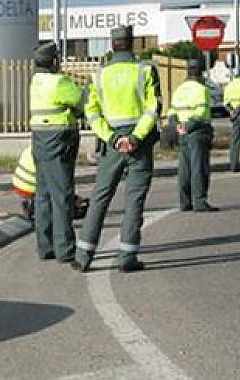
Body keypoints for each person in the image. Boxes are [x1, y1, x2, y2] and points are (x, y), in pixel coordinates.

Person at [72, 25, 161, 273]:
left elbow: (91, 112)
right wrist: (134, 137)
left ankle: (83, 255)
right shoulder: (146, 70)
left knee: (100, 197)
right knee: (135, 200)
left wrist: (112, 138)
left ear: (112, 45)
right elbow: (153, 109)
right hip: (139, 146)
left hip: (111, 145)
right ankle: (127, 257)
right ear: (132, 43)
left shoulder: (99, 75)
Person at [28, 42, 83, 262]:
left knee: (43, 194)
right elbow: (81, 102)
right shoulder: (59, 81)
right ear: (54, 61)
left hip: (39, 140)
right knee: (62, 195)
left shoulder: (36, 81)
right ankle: (65, 249)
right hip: (59, 141)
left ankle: (45, 245)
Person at [168, 60, 219, 212]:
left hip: (182, 132)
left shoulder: (180, 89)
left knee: (185, 168)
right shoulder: (201, 89)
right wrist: (189, 126)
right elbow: (201, 112)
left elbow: (171, 112)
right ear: (200, 71)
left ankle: (184, 201)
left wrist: (178, 126)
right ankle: (199, 201)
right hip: (197, 131)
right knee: (199, 167)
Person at [12, 145, 90, 222]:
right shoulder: (52, 152)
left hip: (18, 184)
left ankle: (32, 205)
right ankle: (35, 209)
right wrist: (73, 197)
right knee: (56, 198)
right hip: (31, 187)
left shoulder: (33, 146)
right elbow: (57, 182)